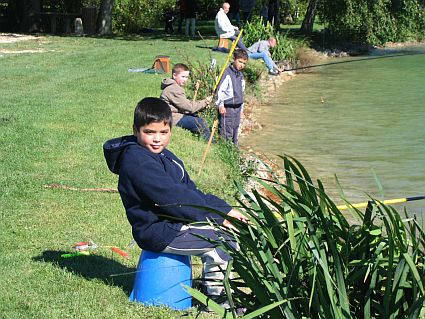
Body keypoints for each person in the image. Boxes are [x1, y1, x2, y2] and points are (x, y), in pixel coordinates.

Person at [103, 97, 248, 300]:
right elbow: (172, 199)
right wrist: (217, 217)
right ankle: (219, 300)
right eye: (149, 132)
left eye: (164, 132)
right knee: (223, 242)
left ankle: (212, 288)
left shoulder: (164, 156)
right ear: (136, 130)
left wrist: (224, 210)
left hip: (172, 221)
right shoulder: (138, 162)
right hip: (157, 231)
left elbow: (189, 190)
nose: (157, 139)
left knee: (227, 232)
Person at [160, 63, 213, 140]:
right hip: (172, 118)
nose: (185, 80)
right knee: (201, 123)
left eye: (187, 77)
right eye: (183, 77)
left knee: (196, 117)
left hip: (174, 114)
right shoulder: (174, 89)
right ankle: (209, 142)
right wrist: (205, 102)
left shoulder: (174, 86)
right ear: (174, 75)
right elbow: (189, 107)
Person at [215, 49, 248, 146]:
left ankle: (234, 148)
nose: (241, 65)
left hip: (237, 107)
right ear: (234, 59)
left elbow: (241, 93)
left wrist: (241, 109)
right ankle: (225, 148)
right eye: (240, 62)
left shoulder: (240, 75)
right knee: (226, 129)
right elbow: (219, 91)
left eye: (244, 63)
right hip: (227, 107)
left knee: (235, 128)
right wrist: (220, 105)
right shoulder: (226, 73)